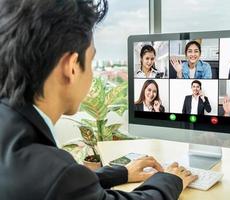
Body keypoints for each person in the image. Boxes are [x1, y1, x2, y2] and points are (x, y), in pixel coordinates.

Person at [0, 0, 198, 200]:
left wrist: (121, 172)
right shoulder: (55, 175)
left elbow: (59, 186)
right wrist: (170, 179)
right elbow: (60, 182)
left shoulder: (10, 130)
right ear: (72, 67)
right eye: (92, 60)